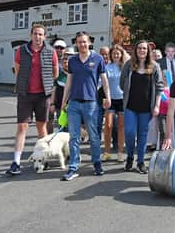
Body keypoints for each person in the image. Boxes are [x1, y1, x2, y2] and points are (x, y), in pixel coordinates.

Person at [7, 24, 59, 175]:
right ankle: (16, 162)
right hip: (25, 94)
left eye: (41, 34)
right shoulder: (21, 51)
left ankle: (44, 159)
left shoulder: (51, 51)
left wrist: (45, 83)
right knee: (22, 127)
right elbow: (17, 70)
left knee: (41, 128)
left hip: (43, 95)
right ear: (31, 35)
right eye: (35, 34)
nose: (38, 37)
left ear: (45, 36)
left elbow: (55, 73)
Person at [60, 31, 110, 180]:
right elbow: (69, 81)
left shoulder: (98, 59)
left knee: (94, 136)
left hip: (91, 104)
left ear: (89, 43)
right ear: (76, 43)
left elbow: (104, 80)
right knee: (74, 137)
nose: (82, 44)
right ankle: (73, 167)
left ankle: (97, 163)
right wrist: (64, 100)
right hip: (74, 103)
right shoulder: (73, 61)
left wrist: (108, 97)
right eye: (79, 42)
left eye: (84, 41)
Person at [120, 40, 164, 174]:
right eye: (139, 48)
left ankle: (140, 162)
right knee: (129, 132)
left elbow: (159, 87)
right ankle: (129, 156)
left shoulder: (154, 66)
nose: (142, 51)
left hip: (146, 108)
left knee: (142, 135)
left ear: (148, 51)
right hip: (130, 106)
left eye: (144, 49)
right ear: (135, 50)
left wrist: (156, 105)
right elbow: (122, 83)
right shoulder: (128, 65)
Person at [104, 44, 128, 163]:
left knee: (121, 126)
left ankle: (120, 152)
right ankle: (107, 152)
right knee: (108, 125)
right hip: (110, 99)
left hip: (122, 99)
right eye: (114, 54)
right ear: (111, 55)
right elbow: (102, 83)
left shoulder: (125, 67)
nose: (116, 56)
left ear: (121, 55)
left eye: (118, 53)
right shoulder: (107, 67)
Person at [49, 39, 67, 133]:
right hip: (50, 94)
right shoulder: (49, 60)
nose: (59, 50)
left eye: (62, 48)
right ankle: (49, 139)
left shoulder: (68, 60)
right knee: (49, 119)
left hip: (63, 97)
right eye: (57, 47)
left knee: (64, 122)